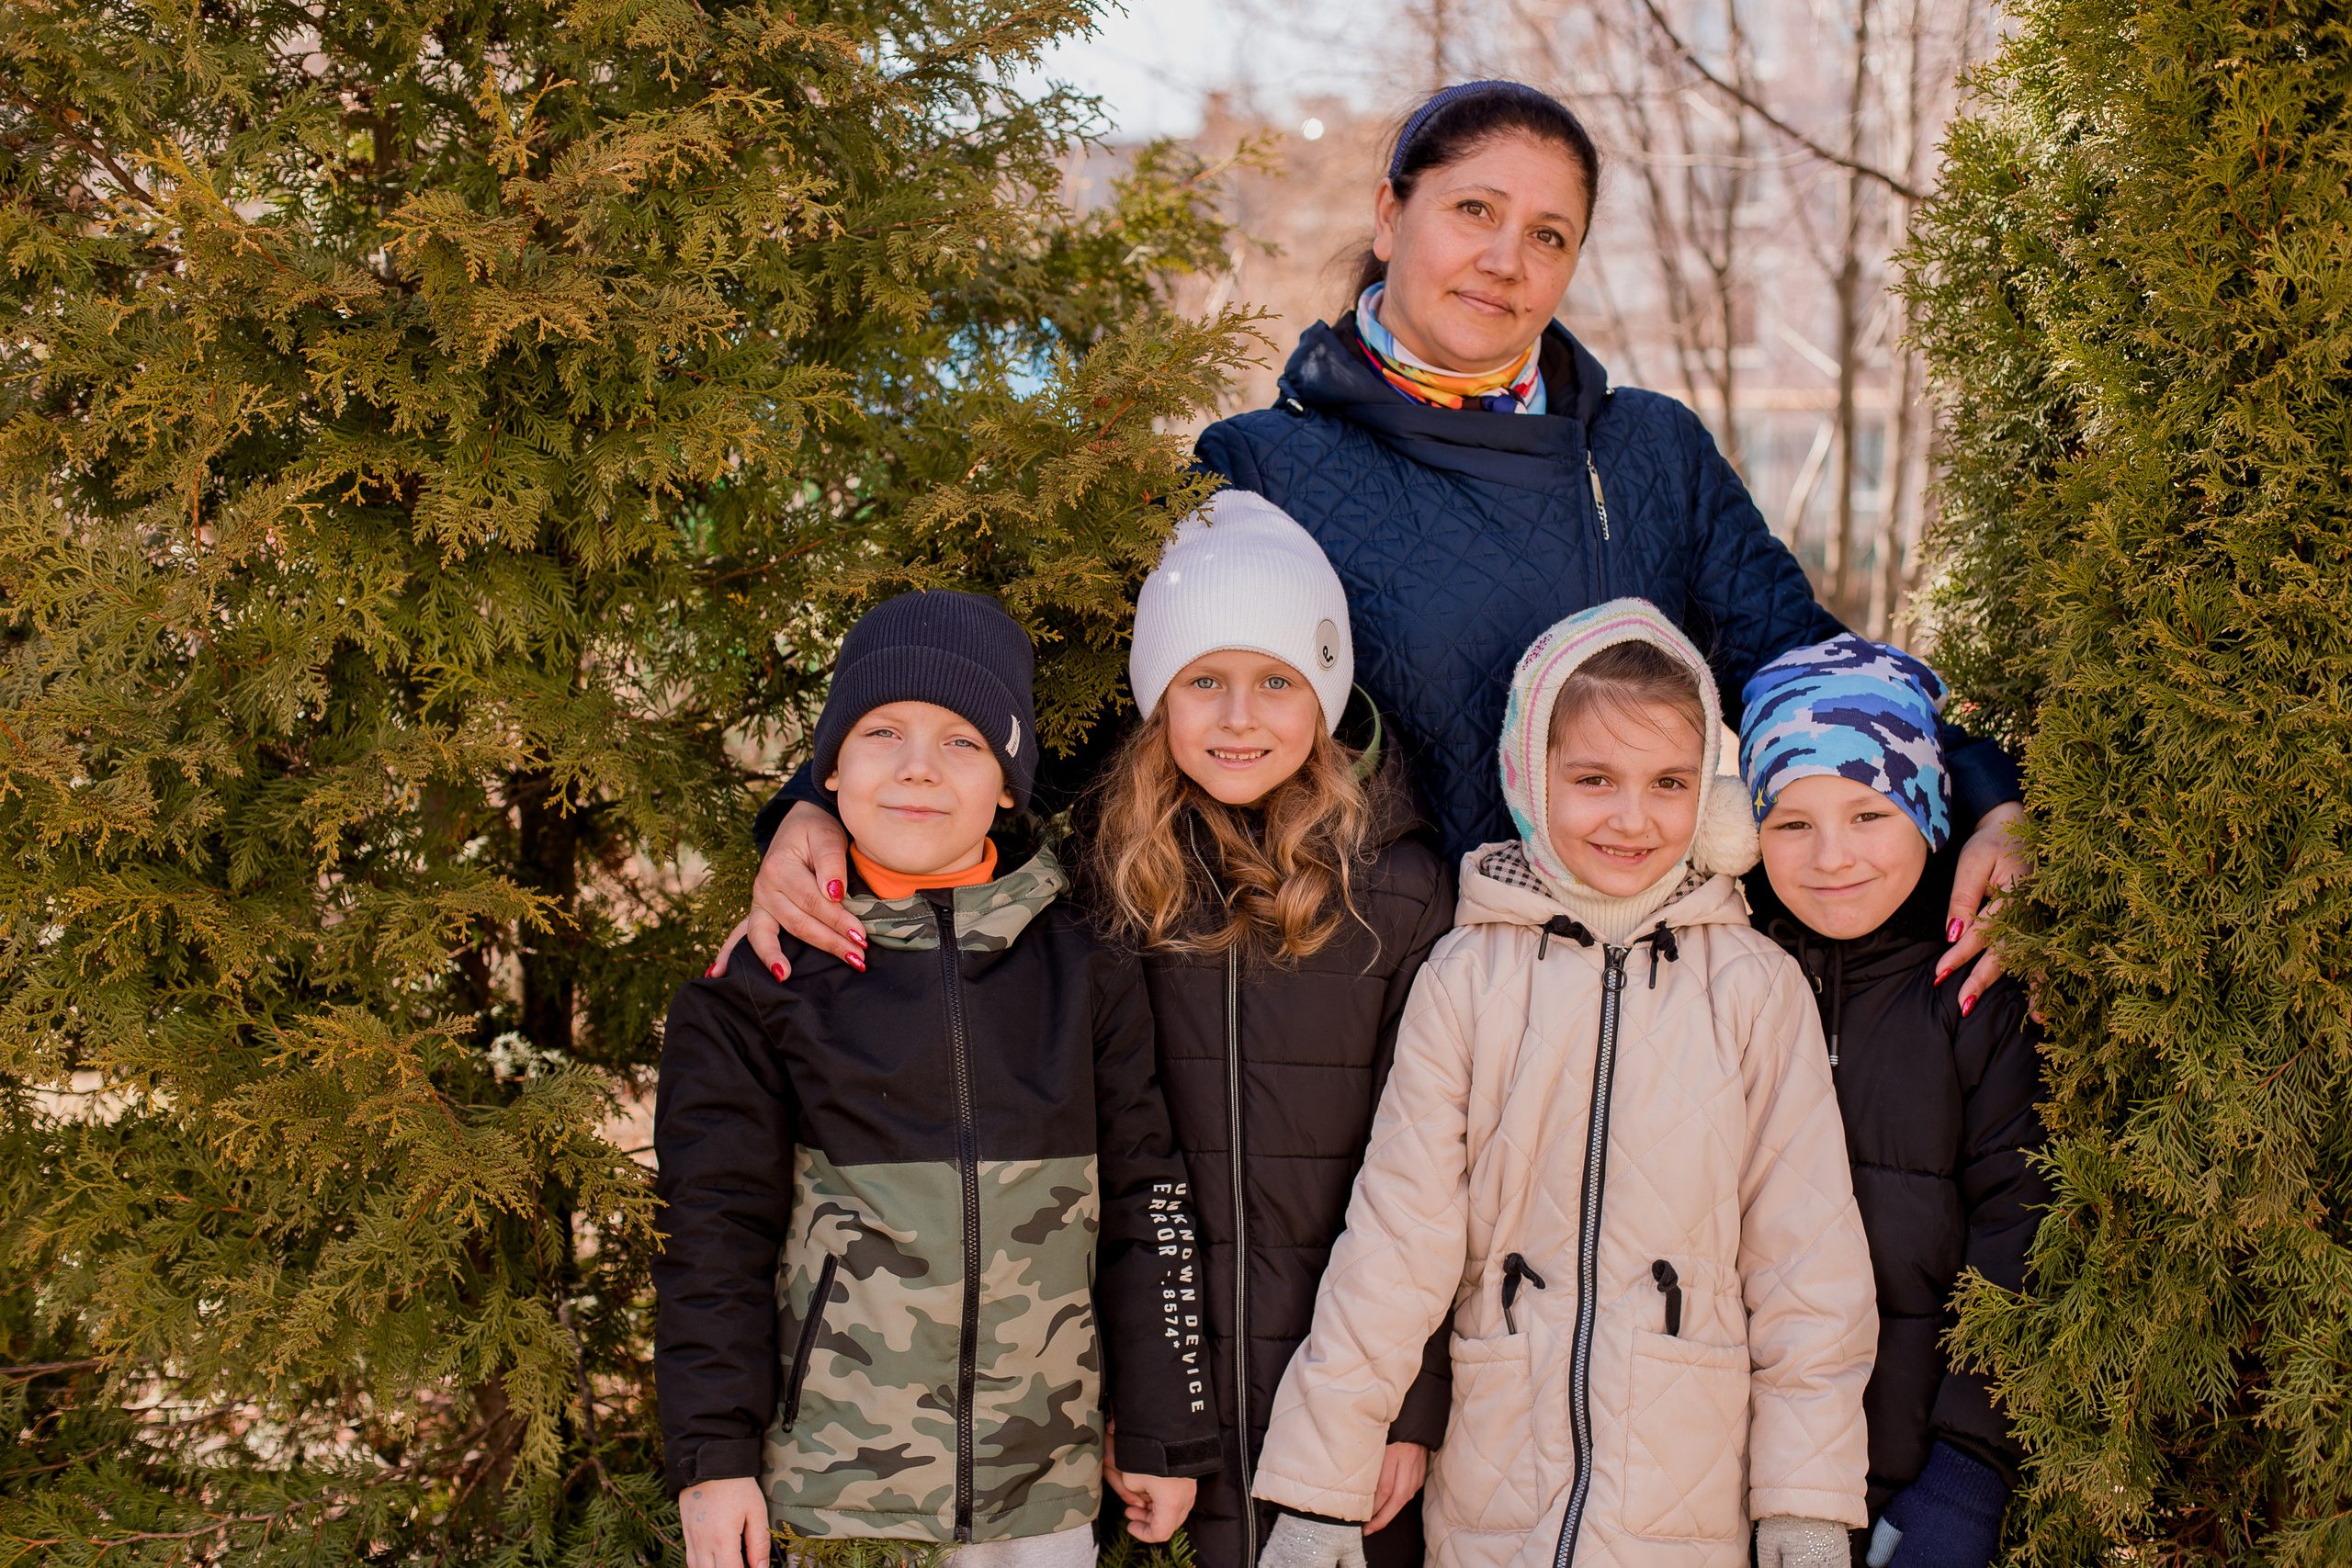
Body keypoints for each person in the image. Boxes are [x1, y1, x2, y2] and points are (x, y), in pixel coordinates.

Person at [713, 77, 2027, 1021]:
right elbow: (1074, 707)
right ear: (1391, 215)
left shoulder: (1646, 455)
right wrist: (815, 805)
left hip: (1624, 1009)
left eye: (1548, 234)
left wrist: (1982, 792)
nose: (1505, 258)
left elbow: (1810, 674)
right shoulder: (1264, 464)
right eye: (1473, 210)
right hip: (1348, 1014)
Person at [1248, 600, 1876, 1568]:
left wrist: (1804, 1502)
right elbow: (1394, 1241)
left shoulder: (1754, 988)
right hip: (1499, 1491)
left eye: (1669, 782)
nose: (1632, 818)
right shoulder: (1466, 976)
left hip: (1690, 1505)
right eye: (1593, 780)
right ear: (1529, 779)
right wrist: (1321, 1488)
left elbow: (1808, 1268)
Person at [652, 591, 1221, 1568]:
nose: (918, 767)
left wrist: (1166, 1425)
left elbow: (1147, 1197)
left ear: (1008, 786)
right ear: (827, 769)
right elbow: (710, 1236)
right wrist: (711, 1462)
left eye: (964, 741)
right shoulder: (761, 984)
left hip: (1041, 1492)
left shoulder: (1085, 966)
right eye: (881, 732)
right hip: (833, 1497)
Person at [1084, 492, 1458, 1568]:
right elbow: (1115, 1164)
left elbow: (1431, 1173)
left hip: (1352, 1401)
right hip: (1178, 1407)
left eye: (1277, 681)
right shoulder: (1118, 882)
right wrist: (1144, 1410)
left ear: (1327, 693)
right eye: (1203, 680)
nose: (1239, 716)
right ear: (1158, 699)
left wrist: (1409, 1406)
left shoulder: (1401, 891)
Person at [1736, 637, 2048, 1568]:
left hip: (1910, 1474)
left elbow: (2020, 1230)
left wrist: (1966, 1469)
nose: (1833, 857)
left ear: (1924, 807)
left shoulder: (1972, 995)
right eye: (1791, 823)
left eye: (1868, 812)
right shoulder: (1732, 973)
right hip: (1728, 1475)